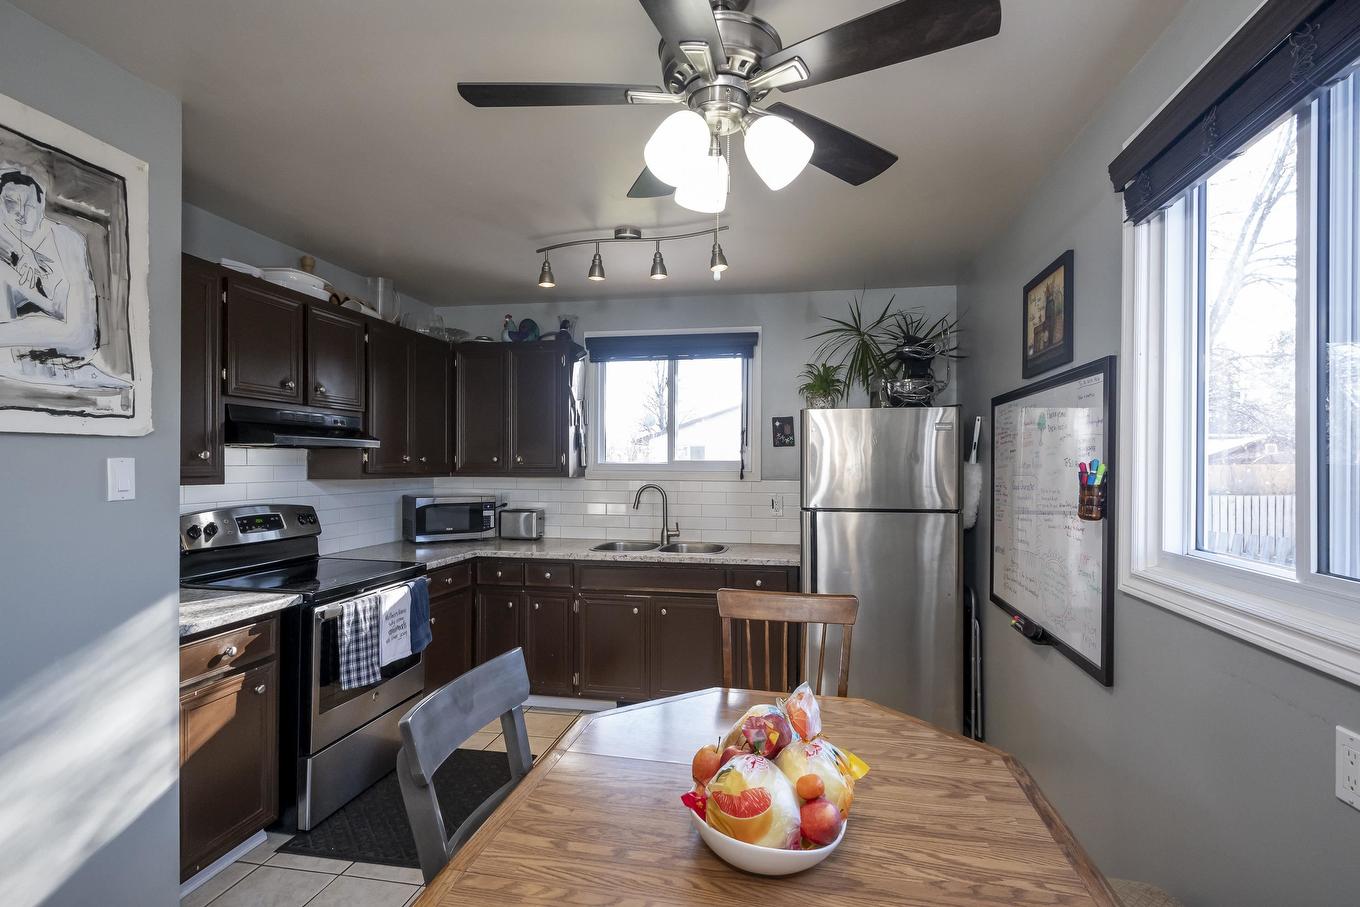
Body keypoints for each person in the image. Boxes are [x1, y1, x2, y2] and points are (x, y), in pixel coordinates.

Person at [0, 167, 125, 388]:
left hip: (75, 335)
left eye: (27, 205)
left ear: (41, 205)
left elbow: (78, 328)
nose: (19, 212)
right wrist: (18, 260)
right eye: (10, 204)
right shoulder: (6, 239)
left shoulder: (67, 239)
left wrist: (28, 281)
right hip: (32, 332)